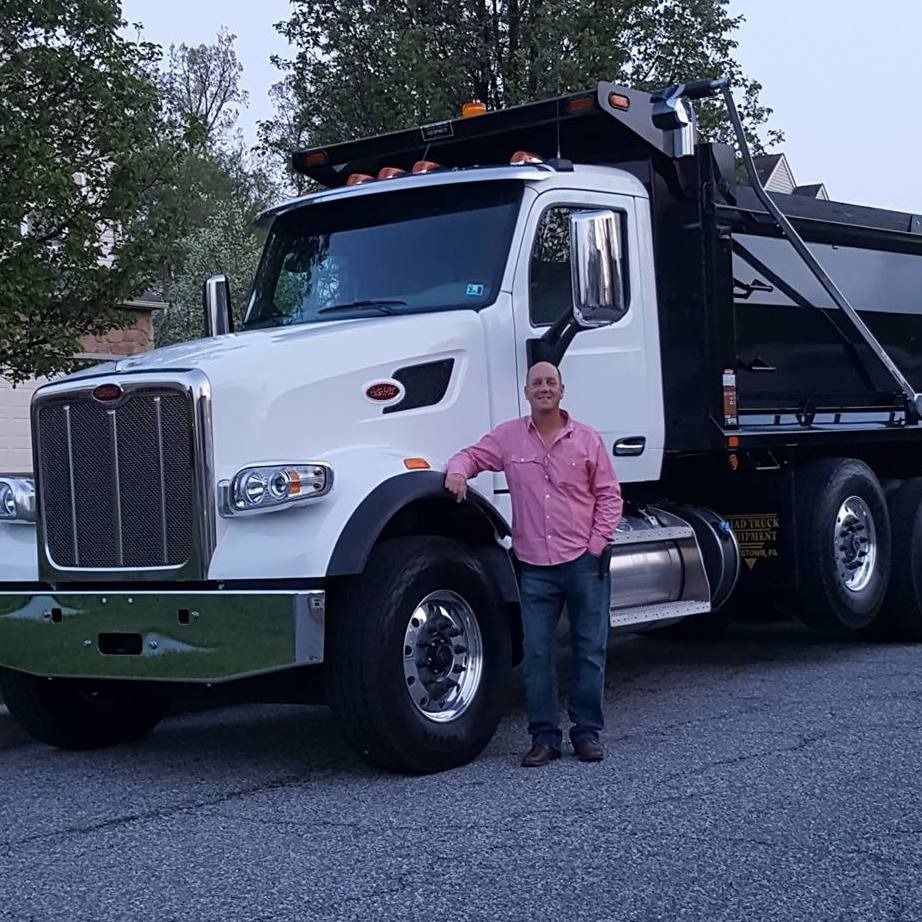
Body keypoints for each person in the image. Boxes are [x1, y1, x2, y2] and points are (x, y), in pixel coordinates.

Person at [444, 361, 623, 767]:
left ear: (562, 390)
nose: (543, 388)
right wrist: (457, 472)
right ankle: (544, 738)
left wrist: (596, 545)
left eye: (550, 382)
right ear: (526, 392)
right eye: (536, 383)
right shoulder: (508, 438)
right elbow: (471, 456)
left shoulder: (588, 440)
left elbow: (610, 496)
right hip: (535, 567)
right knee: (538, 655)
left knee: (589, 649)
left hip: (583, 561)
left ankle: (586, 733)